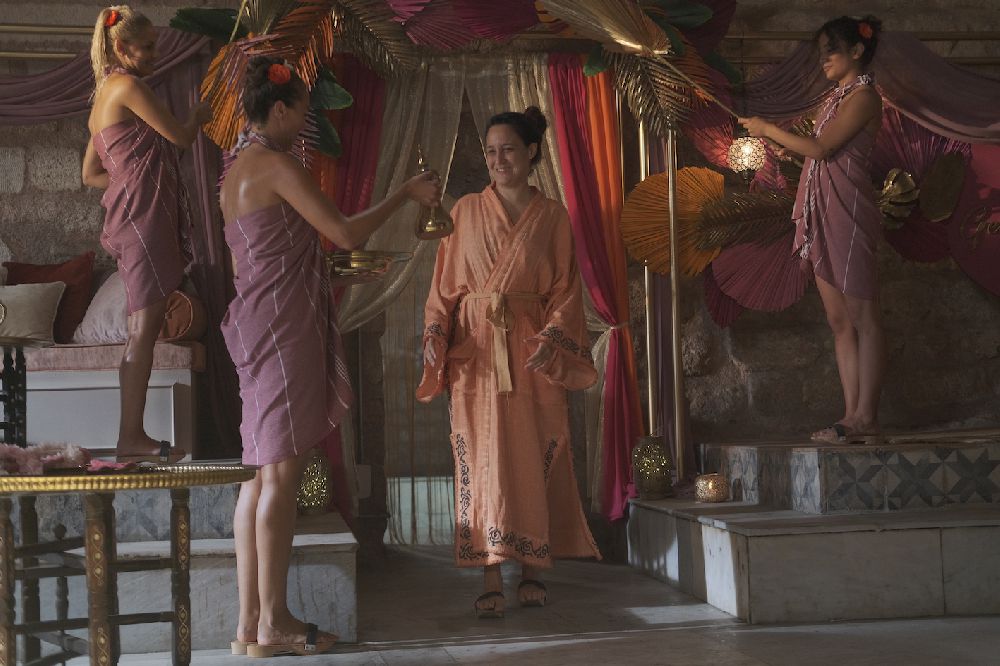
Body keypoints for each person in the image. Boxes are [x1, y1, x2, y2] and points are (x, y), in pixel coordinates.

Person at [220, 56, 440, 657]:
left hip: (256, 324)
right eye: (303, 112)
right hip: (283, 330)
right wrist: (405, 193)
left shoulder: (235, 172)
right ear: (280, 110)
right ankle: (275, 622)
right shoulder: (275, 164)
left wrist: (322, 276)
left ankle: (249, 625)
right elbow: (343, 233)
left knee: (260, 474)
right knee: (280, 475)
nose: (307, 123)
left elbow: (260, 262)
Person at [417, 106, 601, 619]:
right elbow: (443, 290)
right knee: (482, 462)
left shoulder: (554, 216)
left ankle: (534, 567)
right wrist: (435, 335)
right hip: (476, 356)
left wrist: (553, 339)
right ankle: (490, 572)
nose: (499, 160)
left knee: (532, 456)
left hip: (531, 353)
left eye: (509, 150)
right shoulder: (464, 211)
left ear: (532, 152)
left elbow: (565, 291)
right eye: (491, 152)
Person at [740, 15, 885, 444]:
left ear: (856, 51)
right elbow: (818, 153)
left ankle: (866, 417)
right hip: (823, 207)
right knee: (839, 319)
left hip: (848, 209)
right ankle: (851, 415)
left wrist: (768, 128)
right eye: (822, 52)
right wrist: (780, 147)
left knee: (863, 316)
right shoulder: (835, 98)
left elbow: (822, 148)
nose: (824, 59)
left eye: (831, 50)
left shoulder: (864, 96)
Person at [82, 5, 211, 462]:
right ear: (121, 47)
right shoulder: (130, 87)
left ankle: (131, 435)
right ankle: (130, 437)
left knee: (143, 328)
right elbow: (180, 136)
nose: (156, 55)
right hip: (145, 220)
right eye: (149, 47)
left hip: (132, 216)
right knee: (143, 330)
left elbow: (91, 173)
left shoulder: (102, 96)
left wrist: (130, 180)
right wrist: (198, 115)